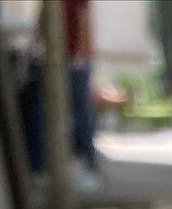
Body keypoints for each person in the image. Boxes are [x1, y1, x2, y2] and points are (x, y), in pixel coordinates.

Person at [65, 0, 103, 196]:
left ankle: (88, 162)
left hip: (76, 58)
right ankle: (81, 162)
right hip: (67, 56)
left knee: (80, 112)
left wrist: (81, 52)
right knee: (75, 112)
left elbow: (85, 20)